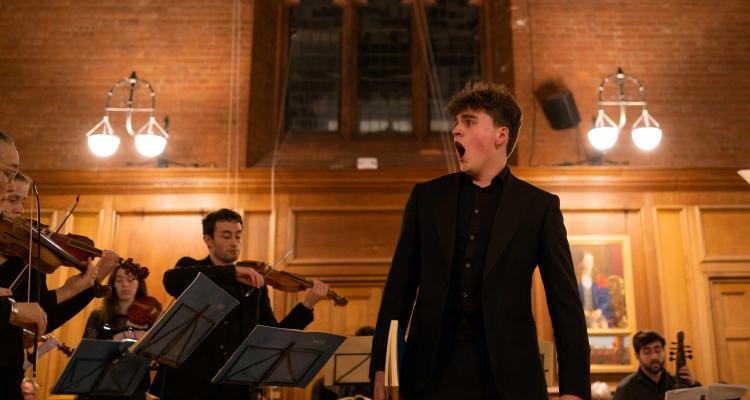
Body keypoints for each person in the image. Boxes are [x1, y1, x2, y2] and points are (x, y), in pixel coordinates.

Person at [370, 81, 591, 400]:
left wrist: (574, 390)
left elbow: (565, 303)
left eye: (469, 122)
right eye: (455, 123)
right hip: (429, 376)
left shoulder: (539, 207)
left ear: (500, 135)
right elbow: (398, 290)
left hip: (510, 379)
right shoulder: (427, 198)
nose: (456, 130)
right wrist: (381, 367)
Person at [150, 208, 332, 399]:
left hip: (234, 390)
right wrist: (232, 271)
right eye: (226, 236)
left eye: (238, 236)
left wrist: (307, 305)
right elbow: (171, 280)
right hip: (190, 387)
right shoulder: (189, 267)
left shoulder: (254, 285)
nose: (235, 243)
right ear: (208, 240)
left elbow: (274, 336)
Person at [0, 131, 119, 400]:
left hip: (6, 374)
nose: (19, 210)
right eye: (11, 198)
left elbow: (42, 318)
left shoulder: (25, 257)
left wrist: (81, 286)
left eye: (22, 201)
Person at [79, 264, 157, 400]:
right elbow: (88, 352)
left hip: (134, 390)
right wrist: (121, 336)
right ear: (112, 285)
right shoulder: (98, 317)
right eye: (119, 280)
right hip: (100, 389)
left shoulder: (150, 320)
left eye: (131, 279)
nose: (125, 285)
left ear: (139, 284)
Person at [613, 330, 700, 400]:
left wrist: (693, 385)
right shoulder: (626, 389)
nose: (654, 356)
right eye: (647, 352)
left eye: (658, 350)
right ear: (637, 356)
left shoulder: (674, 383)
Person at [577, 251, 614, 328]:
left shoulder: (600, 279)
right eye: (586, 260)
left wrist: (600, 310)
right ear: (582, 262)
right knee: (594, 325)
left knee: (604, 325)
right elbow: (572, 299)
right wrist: (582, 311)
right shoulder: (576, 279)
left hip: (597, 313)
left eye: (590, 260)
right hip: (583, 314)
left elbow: (606, 299)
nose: (589, 262)